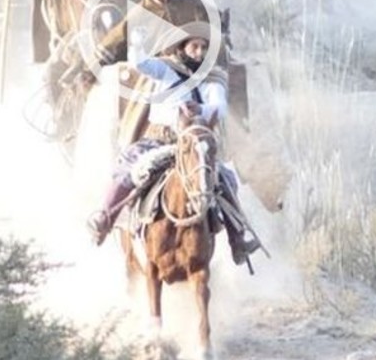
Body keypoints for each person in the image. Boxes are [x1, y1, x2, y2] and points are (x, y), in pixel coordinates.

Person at [86, 23, 261, 266]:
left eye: (203, 48)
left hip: (193, 144)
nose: (199, 52)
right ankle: (104, 218)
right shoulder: (166, 68)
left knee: (226, 178)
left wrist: (200, 109)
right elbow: (141, 64)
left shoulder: (212, 78)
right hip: (157, 141)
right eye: (194, 46)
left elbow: (219, 107)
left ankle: (237, 240)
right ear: (182, 47)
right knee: (127, 165)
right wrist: (137, 43)